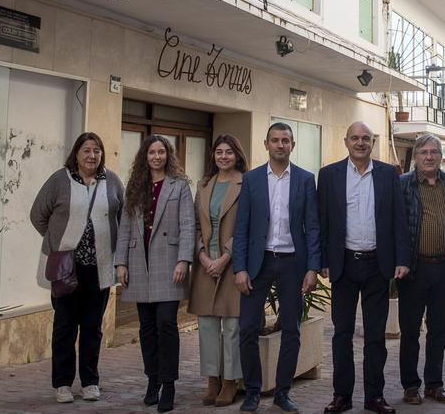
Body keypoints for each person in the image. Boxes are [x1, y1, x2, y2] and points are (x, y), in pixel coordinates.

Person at [317, 122, 411, 414]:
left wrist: (402, 259)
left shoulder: (388, 174)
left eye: (366, 138)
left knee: (375, 335)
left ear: (372, 143)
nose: (360, 143)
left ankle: (374, 396)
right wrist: (323, 261)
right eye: (355, 138)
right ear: (345, 141)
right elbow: (322, 221)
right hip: (343, 265)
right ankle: (341, 396)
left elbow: (399, 219)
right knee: (342, 334)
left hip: (377, 265)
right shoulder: (329, 175)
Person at [30, 132, 125, 404]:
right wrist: (57, 242)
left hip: (99, 268)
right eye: (86, 150)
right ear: (76, 153)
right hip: (66, 269)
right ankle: (62, 384)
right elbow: (38, 215)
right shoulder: (59, 180)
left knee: (93, 327)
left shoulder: (112, 181)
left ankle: (90, 382)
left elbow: (123, 216)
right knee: (65, 326)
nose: (92, 155)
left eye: (96, 150)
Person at [232, 122, 321, 413]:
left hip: (293, 262)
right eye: (275, 140)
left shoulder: (305, 179)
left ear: (292, 145)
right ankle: (253, 392)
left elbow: (313, 227)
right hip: (258, 263)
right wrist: (239, 268)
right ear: (266, 144)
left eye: (285, 140)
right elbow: (242, 227)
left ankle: (283, 393)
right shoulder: (252, 179)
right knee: (247, 328)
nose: (280, 145)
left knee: (291, 330)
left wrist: (312, 268)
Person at [114, 135, 195, 411]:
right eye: (152, 152)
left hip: (169, 264)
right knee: (147, 328)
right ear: (145, 157)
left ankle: (169, 384)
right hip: (139, 264)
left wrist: (183, 260)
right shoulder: (135, 186)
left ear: (168, 155)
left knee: (166, 324)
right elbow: (125, 227)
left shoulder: (179, 185)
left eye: (161, 152)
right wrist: (121, 263)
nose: (157, 157)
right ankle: (152, 380)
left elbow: (188, 225)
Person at [397, 133, 445, 406]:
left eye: (434, 152)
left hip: (444, 267)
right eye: (424, 152)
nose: (429, 157)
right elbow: (397, 226)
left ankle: (435, 384)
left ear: (441, 156)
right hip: (414, 268)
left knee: (440, 330)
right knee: (410, 330)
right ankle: (411, 386)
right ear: (416, 156)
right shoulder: (403, 184)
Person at [189, 134, 249, 407]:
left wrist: (225, 257)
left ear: (237, 155)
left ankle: (230, 381)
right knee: (207, 324)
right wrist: (202, 255)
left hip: (233, 263)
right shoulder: (203, 185)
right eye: (219, 152)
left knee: (233, 325)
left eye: (229, 152)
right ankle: (212, 379)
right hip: (205, 263)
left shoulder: (246, 183)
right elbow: (194, 225)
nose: (223, 157)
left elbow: (248, 225)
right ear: (213, 156)